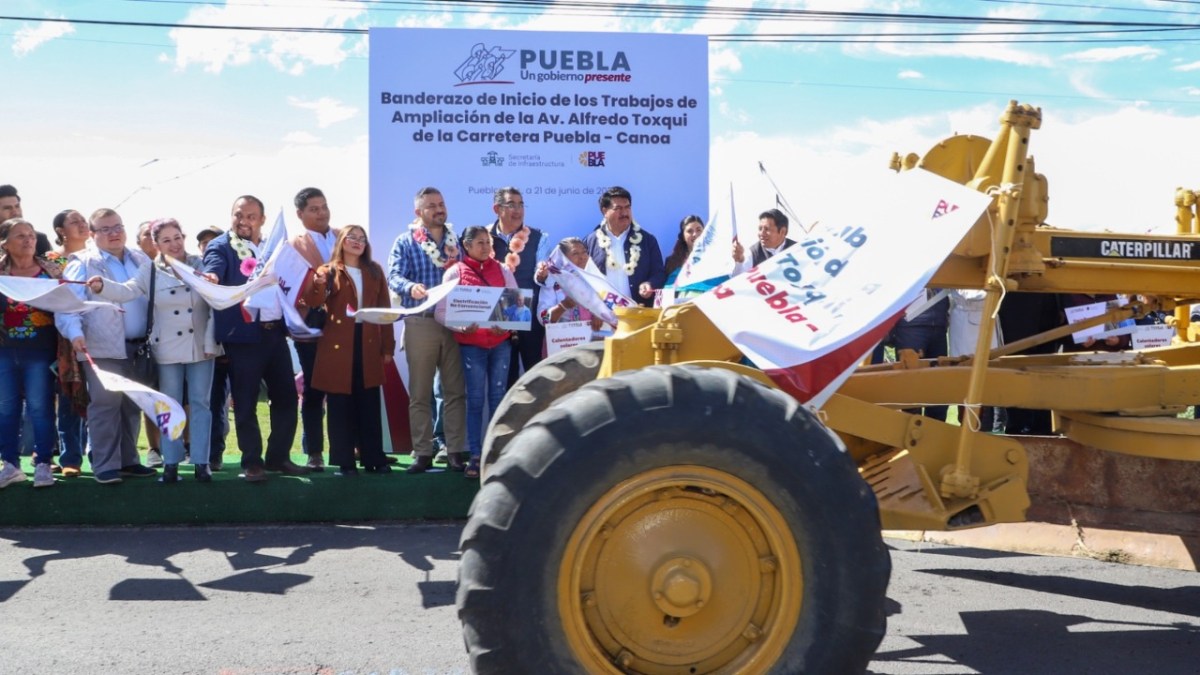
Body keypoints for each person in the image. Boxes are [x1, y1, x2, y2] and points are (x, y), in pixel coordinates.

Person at [89, 218, 219, 483]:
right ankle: (170, 463)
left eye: (177, 237)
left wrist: (210, 341)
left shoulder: (201, 264)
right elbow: (127, 291)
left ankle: (201, 463)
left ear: (184, 237)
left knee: (200, 403)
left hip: (201, 346)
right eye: (166, 240)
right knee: (168, 404)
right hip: (168, 346)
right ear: (157, 245)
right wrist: (103, 286)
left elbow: (215, 303)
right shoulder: (149, 270)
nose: (174, 244)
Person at [203, 195, 306, 482]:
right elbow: (213, 267)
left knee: (286, 397)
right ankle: (252, 461)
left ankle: (278, 457)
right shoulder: (222, 246)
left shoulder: (275, 246)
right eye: (238, 215)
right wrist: (211, 277)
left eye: (250, 216)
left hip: (275, 334)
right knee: (245, 402)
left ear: (262, 219)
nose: (243, 221)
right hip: (243, 337)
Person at [56, 208, 157, 484]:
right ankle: (105, 465)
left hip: (139, 347)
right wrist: (74, 333)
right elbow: (67, 307)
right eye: (105, 229)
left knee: (131, 405)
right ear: (92, 235)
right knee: (105, 405)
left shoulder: (140, 258)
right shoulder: (82, 262)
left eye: (118, 227)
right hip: (100, 346)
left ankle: (128, 461)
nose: (114, 233)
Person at [386, 187, 467, 474]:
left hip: (456, 323)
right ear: (418, 212)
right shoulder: (405, 241)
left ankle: (456, 450)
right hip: (421, 321)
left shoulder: (458, 239)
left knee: (455, 391)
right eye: (431, 205)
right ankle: (422, 452)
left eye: (441, 204)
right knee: (420, 392)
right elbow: (393, 276)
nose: (439, 209)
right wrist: (411, 287)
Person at [303, 225, 395, 476]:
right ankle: (345, 462)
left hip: (368, 341)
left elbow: (385, 310)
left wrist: (388, 347)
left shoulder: (375, 271)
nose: (356, 242)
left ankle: (374, 458)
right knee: (339, 403)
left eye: (361, 238)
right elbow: (312, 301)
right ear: (341, 241)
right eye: (351, 237)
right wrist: (318, 284)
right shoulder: (328, 270)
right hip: (337, 344)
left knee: (369, 401)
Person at [436, 226, 516, 479]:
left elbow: (517, 306)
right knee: (475, 400)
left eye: (488, 242)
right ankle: (475, 455)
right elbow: (440, 311)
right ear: (466, 246)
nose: (486, 247)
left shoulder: (503, 269)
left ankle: (496, 453)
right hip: (471, 346)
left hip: (500, 343)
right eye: (480, 243)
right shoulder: (454, 272)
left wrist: (507, 323)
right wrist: (459, 326)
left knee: (497, 397)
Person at [0, 219, 64, 489]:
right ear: (4, 243)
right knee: (6, 409)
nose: (28, 240)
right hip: (4, 352)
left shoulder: (50, 271)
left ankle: (43, 464)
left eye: (31, 235)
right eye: (20, 236)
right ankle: (10, 465)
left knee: (40, 407)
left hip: (41, 352)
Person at [290, 187, 338, 472]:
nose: (321, 213)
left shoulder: (345, 235)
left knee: (344, 389)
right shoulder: (293, 245)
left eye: (324, 206)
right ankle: (314, 452)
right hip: (309, 323)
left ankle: (346, 448)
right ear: (300, 214)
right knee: (313, 388)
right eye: (314, 209)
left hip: (343, 326)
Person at [487, 187, 552, 386]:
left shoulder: (539, 237)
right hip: (495, 315)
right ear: (497, 209)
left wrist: (542, 274)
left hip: (528, 313)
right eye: (511, 205)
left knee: (536, 375)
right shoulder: (484, 237)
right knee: (504, 379)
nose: (518, 210)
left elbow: (541, 277)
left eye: (521, 204)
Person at [50, 209, 91, 477]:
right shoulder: (48, 262)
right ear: (60, 231)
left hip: (94, 337)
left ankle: (96, 455)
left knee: (93, 399)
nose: (81, 224)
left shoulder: (95, 258)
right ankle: (69, 458)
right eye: (73, 221)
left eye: (83, 220)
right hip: (56, 341)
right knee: (65, 399)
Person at [583, 186, 665, 308]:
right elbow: (582, 278)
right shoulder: (591, 241)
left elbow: (659, 273)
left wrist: (650, 284)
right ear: (604, 211)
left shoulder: (647, 240)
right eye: (618, 208)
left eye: (627, 207)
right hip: (602, 317)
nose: (625, 213)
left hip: (637, 315)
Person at [537, 237, 605, 338]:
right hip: (563, 343)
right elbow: (543, 319)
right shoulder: (552, 282)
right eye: (575, 253)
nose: (582, 257)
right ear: (563, 258)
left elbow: (611, 304)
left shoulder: (595, 278)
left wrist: (600, 313)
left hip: (593, 340)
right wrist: (562, 306)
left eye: (584, 252)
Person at [662, 214, 746, 295]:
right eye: (689, 231)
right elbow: (668, 292)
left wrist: (740, 259)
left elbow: (732, 280)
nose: (695, 234)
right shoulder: (673, 262)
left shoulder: (718, 258)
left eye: (698, 230)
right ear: (683, 237)